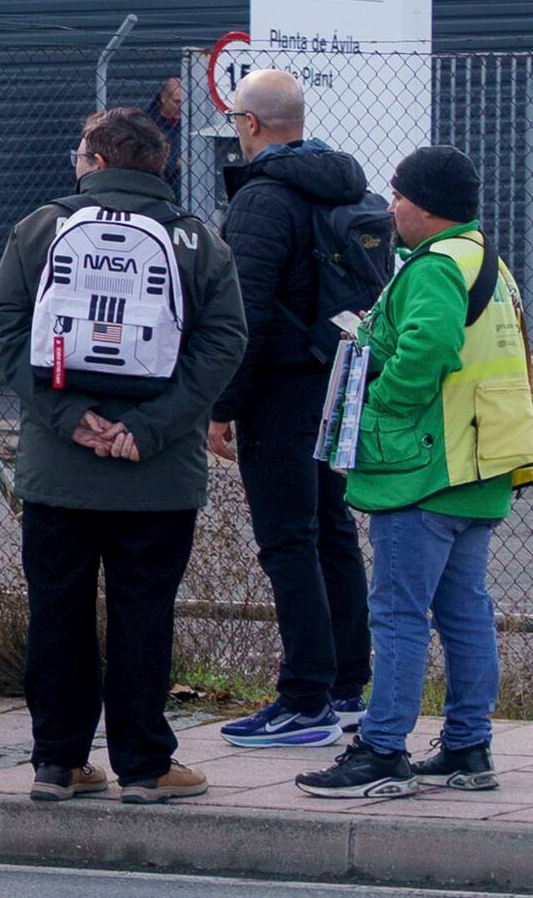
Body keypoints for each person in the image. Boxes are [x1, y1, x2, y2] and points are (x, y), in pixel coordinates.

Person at [0, 105, 243, 802]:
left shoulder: (42, 228)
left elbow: (1, 324)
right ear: (163, 165)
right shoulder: (196, 240)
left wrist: (68, 417)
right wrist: (150, 428)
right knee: (144, 611)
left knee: (56, 608)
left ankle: (57, 762)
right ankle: (146, 764)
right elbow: (225, 342)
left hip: (59, 469)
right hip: (155, 473)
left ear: (94, 161)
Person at [304, 144, 522, 800]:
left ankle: (381, 749)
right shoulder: (487, 259)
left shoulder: (432, 268)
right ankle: (466, 744)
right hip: (480, 467)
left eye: (398, 194)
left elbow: (429, 345)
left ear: (422, 204)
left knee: (398, 612)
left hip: (425, 464)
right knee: (465, 612)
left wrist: (381, 403)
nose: (391, 205)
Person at [208, 66, 380, 751]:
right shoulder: (351, 189)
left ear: (250, 123)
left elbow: (240, 310)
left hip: (280, 388)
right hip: (337, 379)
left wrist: (223, 404)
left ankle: (304, 697)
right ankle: (345, 686)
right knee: (332, 528)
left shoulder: (264, 198)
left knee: (288, 537)